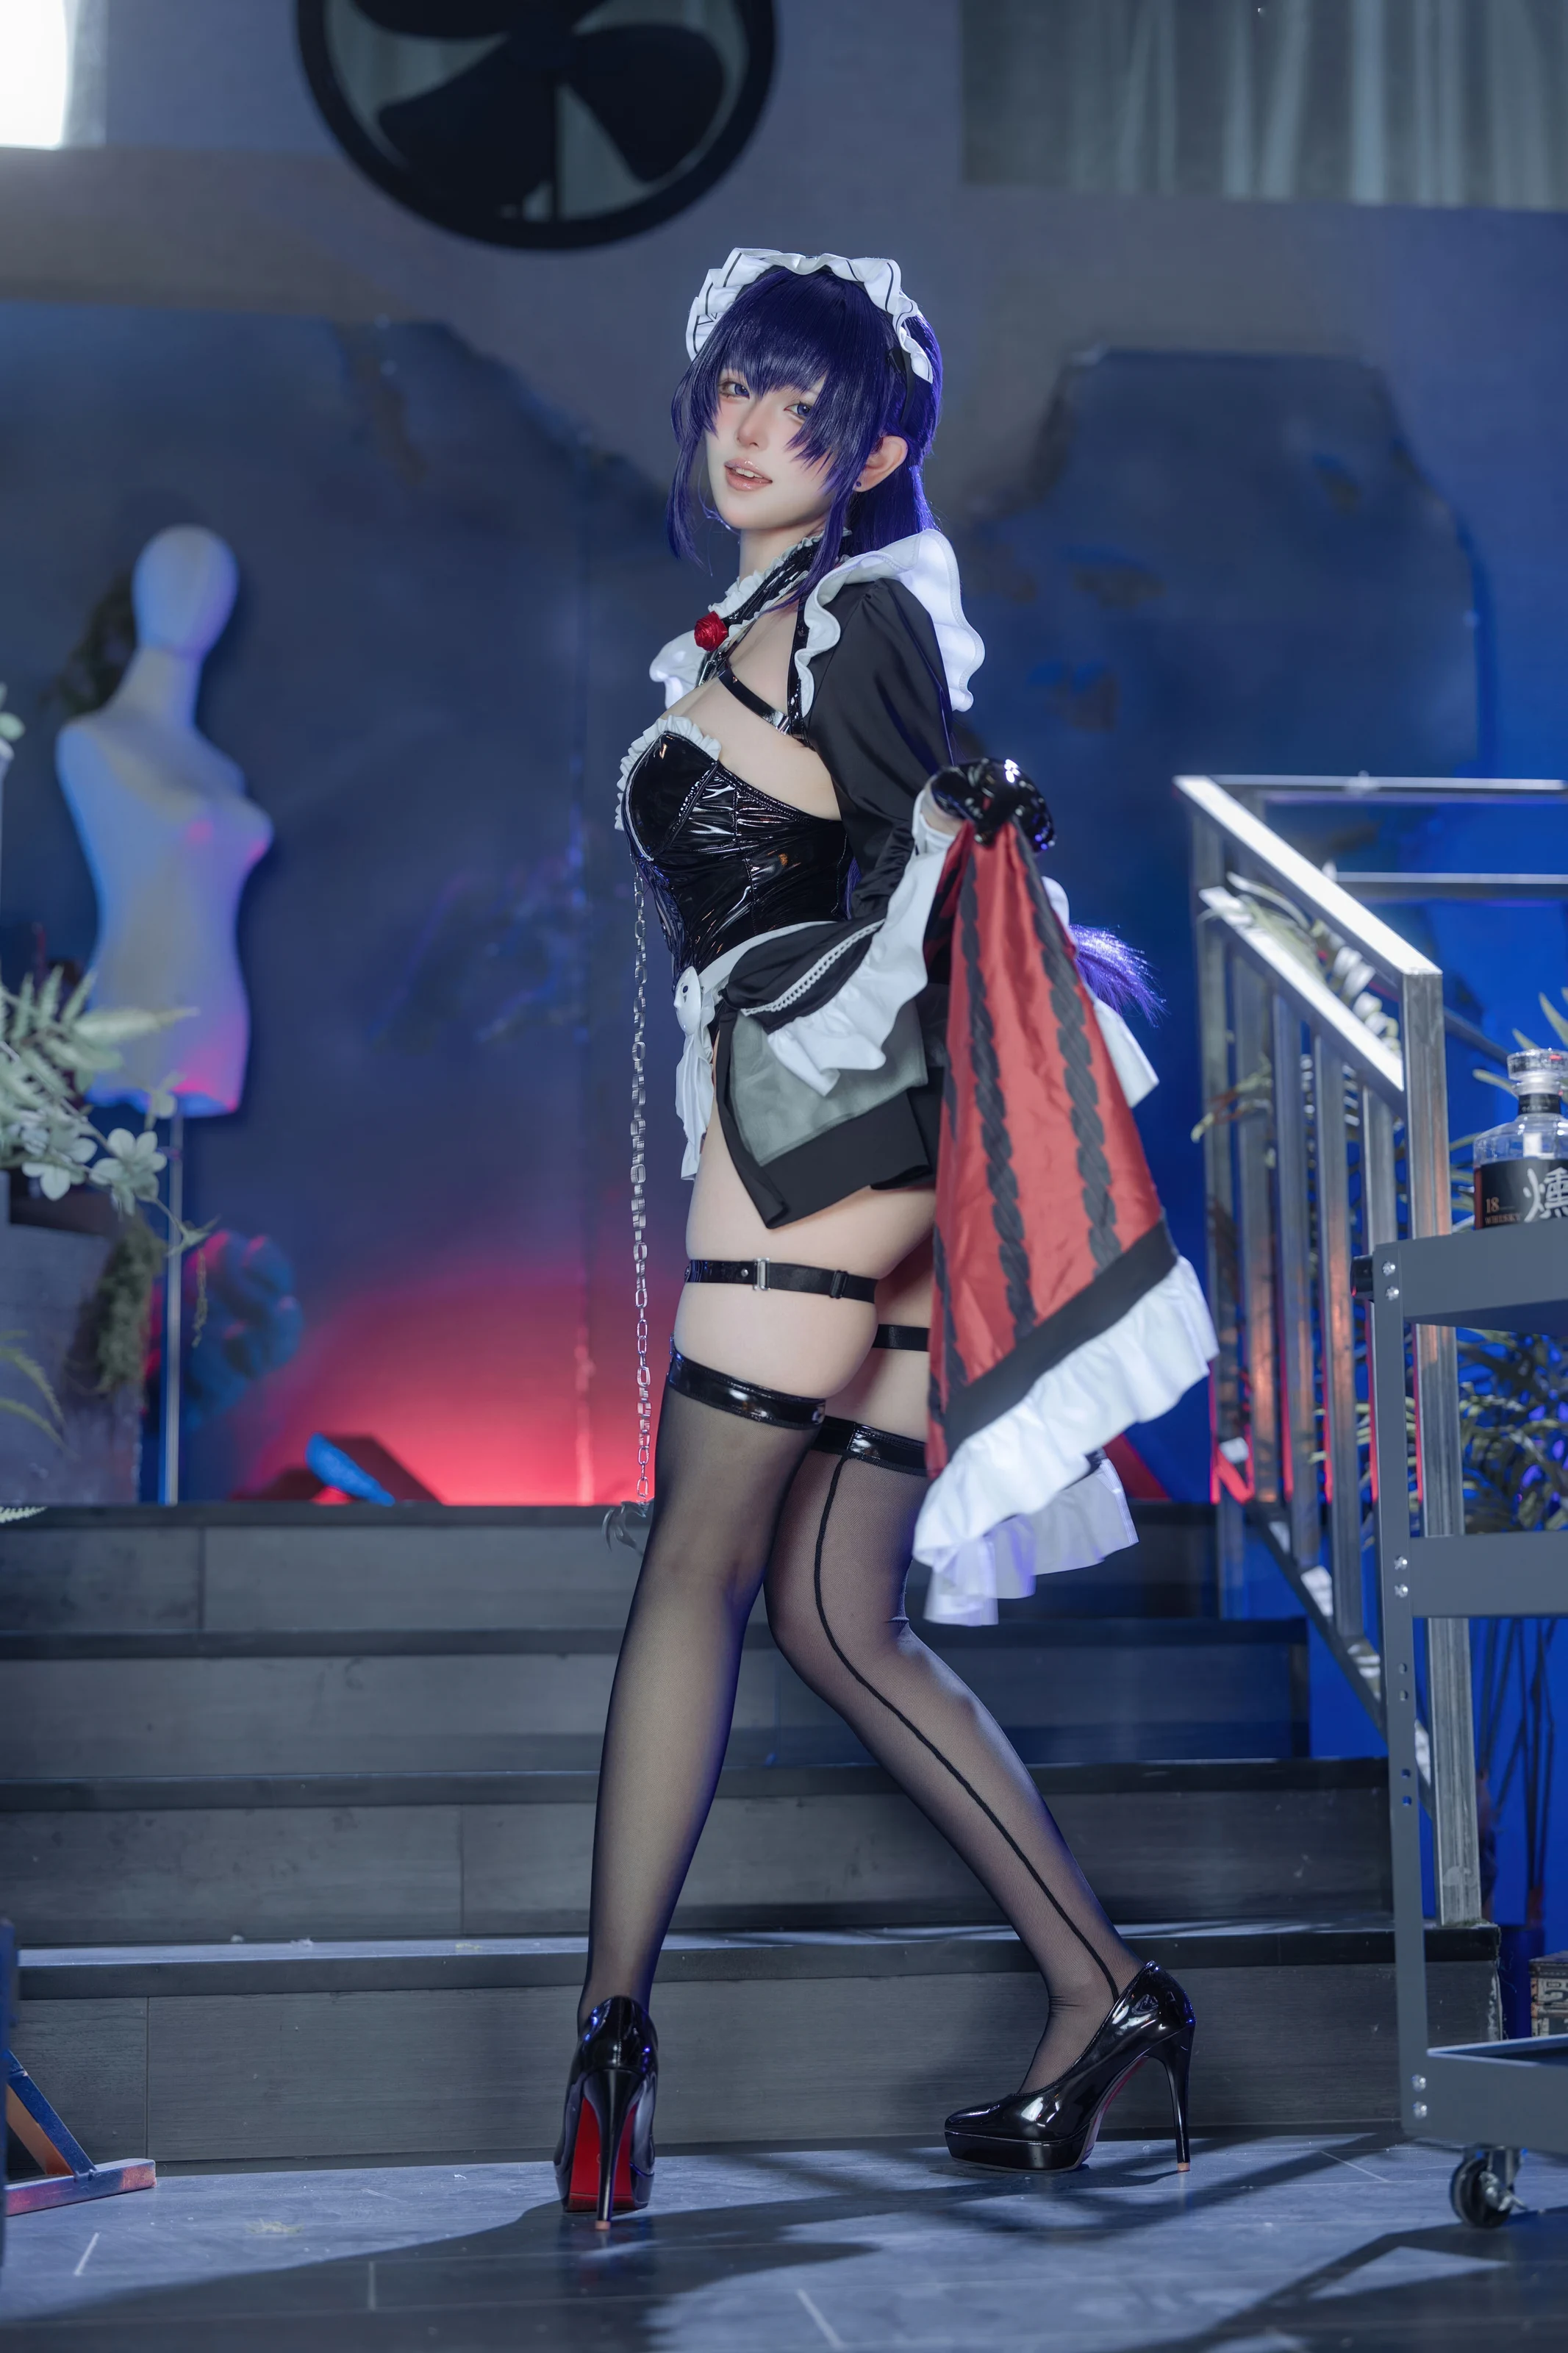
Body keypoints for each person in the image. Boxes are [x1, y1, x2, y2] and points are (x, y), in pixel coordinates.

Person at [556, 252, 1215, 2227]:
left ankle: (606, 2044)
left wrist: (957, 803)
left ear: (874, 448)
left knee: (691, 1574)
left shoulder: (857, 612)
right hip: (867, 1148)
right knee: (836, 1620)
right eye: (733, 391)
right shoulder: (763, 621)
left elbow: (926, 801)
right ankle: (1106, 1995)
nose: (751, 427)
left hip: (824, 1124)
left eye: (804, 404)